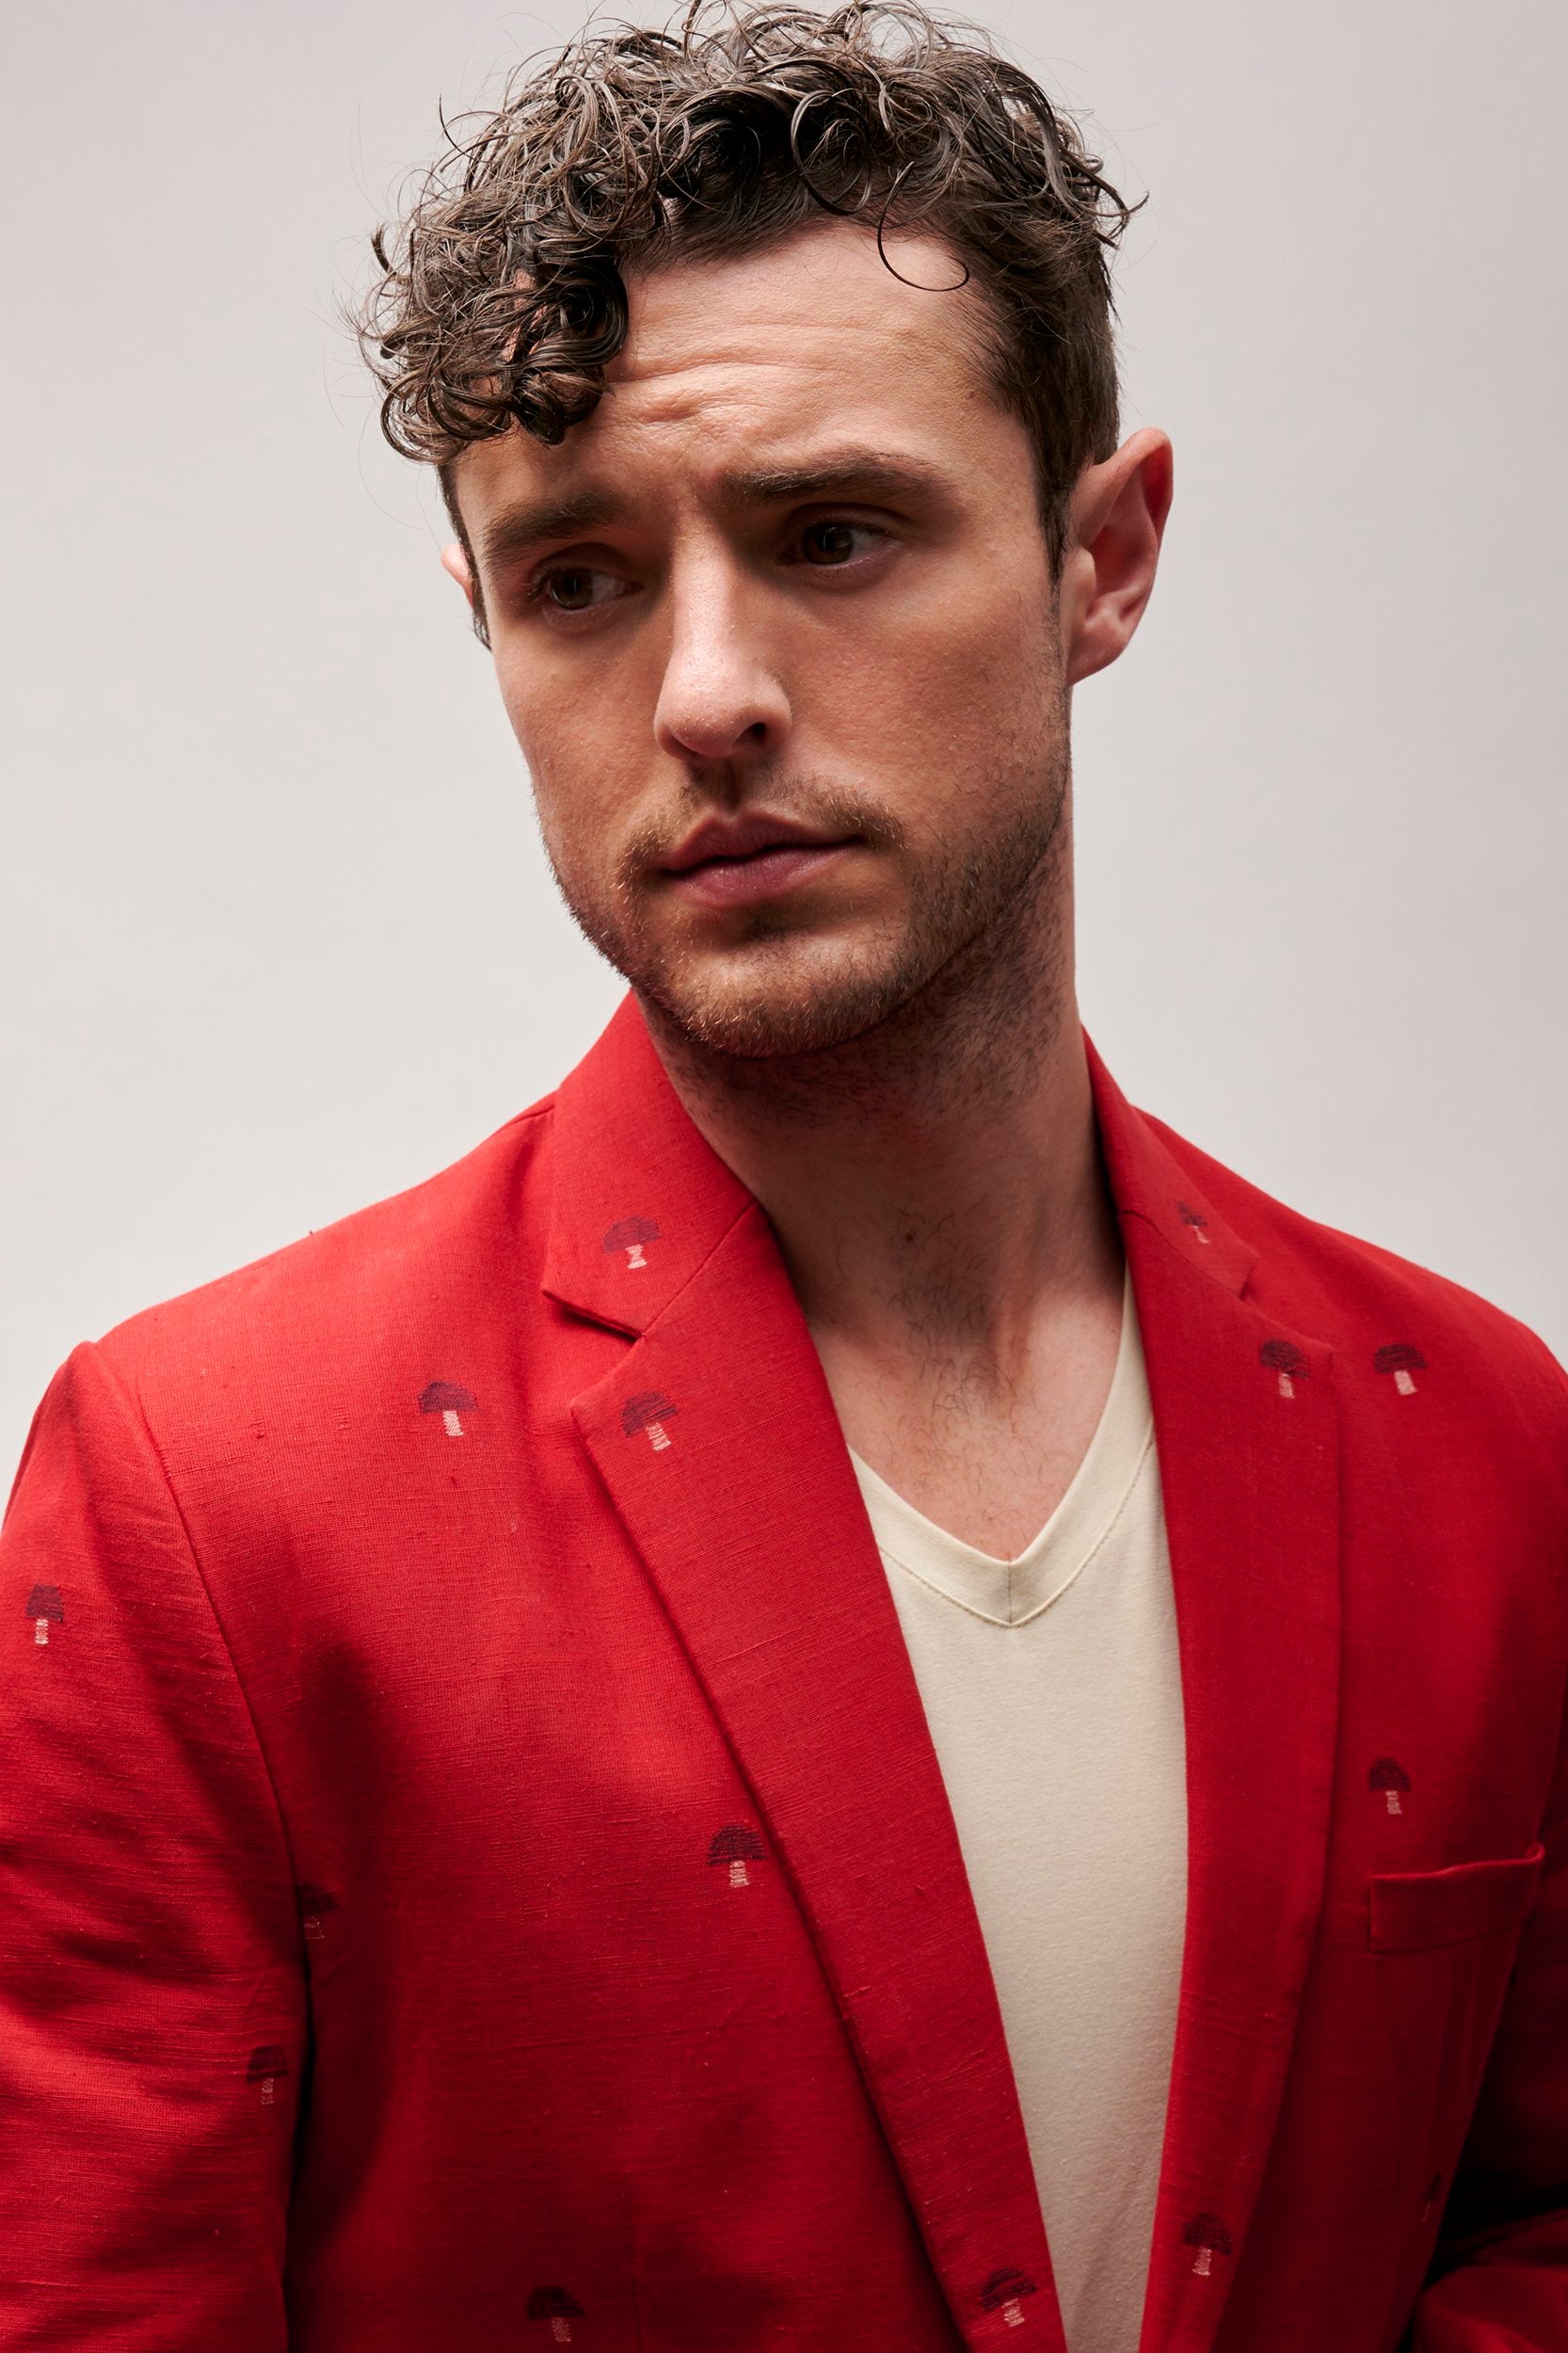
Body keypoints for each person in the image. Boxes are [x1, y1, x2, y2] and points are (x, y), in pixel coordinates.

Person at [2, 4, 1565, 2347]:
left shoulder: (1481, 1442)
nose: (707, 686)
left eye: (833, 531)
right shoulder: (203, 1504)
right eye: (578, 579)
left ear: (1100, 560)